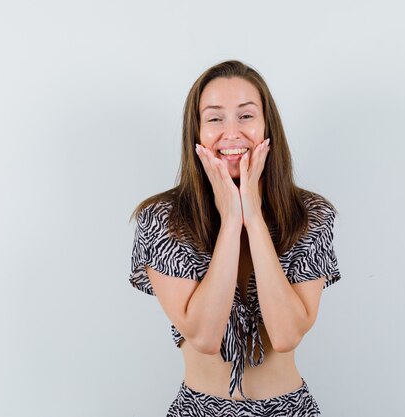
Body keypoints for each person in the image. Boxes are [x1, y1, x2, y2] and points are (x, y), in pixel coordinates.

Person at [128, 60, 341, 417]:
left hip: (289, 408)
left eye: (246, 116)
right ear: (195, 131)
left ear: (266, 125)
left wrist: (253, 217)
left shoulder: (310, 215)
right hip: (198, 408)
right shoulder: (163, 219)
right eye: (214, 118)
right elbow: (204, 336)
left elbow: (287, 335)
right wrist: (230, 221)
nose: (231, 132)